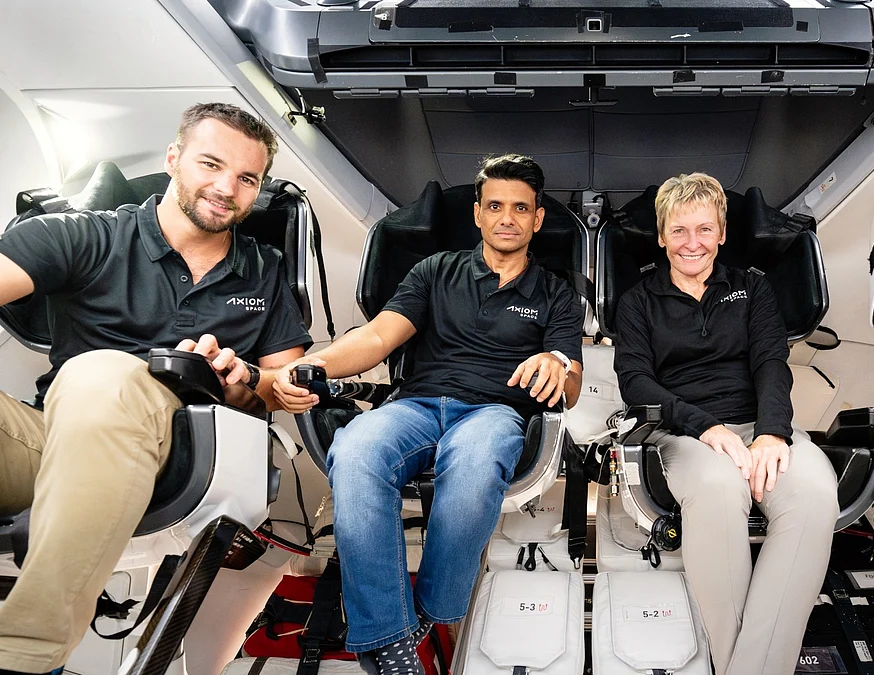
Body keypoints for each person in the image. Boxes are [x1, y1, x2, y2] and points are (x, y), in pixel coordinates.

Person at [0, 102, 312, 674]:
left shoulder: (264, 269)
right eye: (210, 164)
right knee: (93, 380)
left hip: (190, 454)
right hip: (57, 438)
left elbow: (284, 385)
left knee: (106, 373)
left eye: (247, 178)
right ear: (173, 158)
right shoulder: (84, 235)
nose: (226, 188)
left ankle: (24, 658)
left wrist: (243, 378)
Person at [273, 154, 584, 675]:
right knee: (354, 450)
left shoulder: (555, 293)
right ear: (479, 216)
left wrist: (555, 364)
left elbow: (570, 384)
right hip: (416, 406)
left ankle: (430, 609)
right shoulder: (435, 270)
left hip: (494, 411)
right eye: (496, 206)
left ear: (537, 219)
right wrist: (313, 362)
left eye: (520, 208)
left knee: (476, 459)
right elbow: (375, 339)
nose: (507, 217)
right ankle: (391, 639)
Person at [613, 172, 838, 675]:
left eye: (703, 229)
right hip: (684, 434)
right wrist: (704, 427)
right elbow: (636, 382)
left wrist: (772, 433)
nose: (692, 243)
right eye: (679, 231)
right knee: (717, 488)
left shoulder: (752, 289)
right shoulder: (638, 302)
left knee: (816, 494)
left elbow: (771, 363)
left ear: (721, 232)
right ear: (661, 235)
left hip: (759, 424)